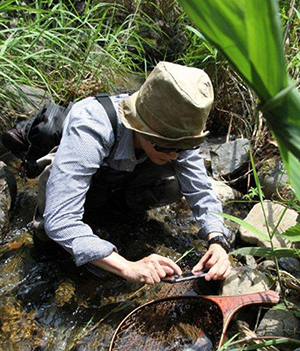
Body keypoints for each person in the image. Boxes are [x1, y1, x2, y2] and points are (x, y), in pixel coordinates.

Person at [32, 61, 232, 285]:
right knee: (49, 239)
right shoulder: (93, 125)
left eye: (183, 147)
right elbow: (60, 218)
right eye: (165, 146)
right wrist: (127, 266)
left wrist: (217, 240)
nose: (176, 155)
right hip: (83, 182)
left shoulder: (178, 126)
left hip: (119, 182)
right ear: (139, 126)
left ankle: (119, 211)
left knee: (175, 181)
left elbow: (200, 190)